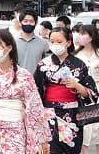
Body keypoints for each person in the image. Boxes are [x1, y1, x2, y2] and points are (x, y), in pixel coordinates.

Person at [0, 29, 52, 154]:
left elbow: (34, 108)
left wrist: (42, 139)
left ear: (9, 48)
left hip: (16, 130)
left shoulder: (24, 75)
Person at [34, 26, 97, 153]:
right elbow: (36, 92)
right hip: (48, 114)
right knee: (50, 149)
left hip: (72, 114)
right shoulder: (43, 65)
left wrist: (77, 86)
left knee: (71, 148)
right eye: (52, 41)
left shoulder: (79, 64)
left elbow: (92, 94)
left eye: (59, 42)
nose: (55, 44)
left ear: (68, 42)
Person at [75, 25, 99, 154]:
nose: (80, 36)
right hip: (82, 93)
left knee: (98, 129)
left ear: (91, 37)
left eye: (83, 33)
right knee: (85, 128)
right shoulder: (76, 54)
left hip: (98, 91)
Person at [15, 8, 49, 75]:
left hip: (37, 82)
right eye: (25, 21)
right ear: (20, 23)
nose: (28, 23)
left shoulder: (43, 43)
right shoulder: (13, 42)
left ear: (36, 23)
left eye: (31, 21)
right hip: (18, 81)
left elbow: (47, 64)